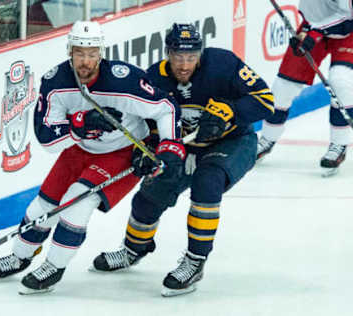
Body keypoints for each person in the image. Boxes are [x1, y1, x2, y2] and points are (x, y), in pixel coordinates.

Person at [0, 20, 183, 295]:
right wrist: (79, 125)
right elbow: (47, 138)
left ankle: (54, 266)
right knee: (41, 208)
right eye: (79, 53)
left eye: (91, 54)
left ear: (101, 53)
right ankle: (19, 256)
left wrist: (167, 148)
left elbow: (166, 108)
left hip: (122, 152)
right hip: (79, 150)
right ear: (70, 52)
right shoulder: (55, 82)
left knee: (76, 203)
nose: (86, 61)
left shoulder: (123, 81)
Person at [90, 23, 275, 297]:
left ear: (200, 54)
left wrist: (230, 111)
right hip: (182, 148)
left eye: (191, 57)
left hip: (232, 142)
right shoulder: (153, 78)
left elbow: (266, 101)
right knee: (150, 195)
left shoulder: (223, 64)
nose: (184, 64)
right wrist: (145, 149)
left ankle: (195, 261)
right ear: (168, 53)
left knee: (207, 184)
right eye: (178, 57)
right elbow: (148, 123)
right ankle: (133, 249)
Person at [257, 0, 353, 176]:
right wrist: (311, 31)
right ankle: (266, 139)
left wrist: (315, 33)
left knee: (341, 81)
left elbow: (347, 20)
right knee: (283, 87)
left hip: (348, 30)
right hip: (312, 25)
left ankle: (339, 143)